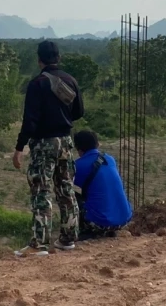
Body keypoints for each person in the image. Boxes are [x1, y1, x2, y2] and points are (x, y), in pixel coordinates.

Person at [13, 40, 84, 255]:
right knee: (66, 189)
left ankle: (39, 243)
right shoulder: (71, 80)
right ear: (59, 57)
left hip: (44, 143)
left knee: (41, 191)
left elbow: (30, 120)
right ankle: (68, 238)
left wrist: (19, 147)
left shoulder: (37, 84)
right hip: (65, 141)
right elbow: (79, 112)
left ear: (39, 59)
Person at [72, 129, 133, 238]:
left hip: (101, 223)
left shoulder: (77, 166)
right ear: (97, 144)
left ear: (78, 149)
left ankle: (77, 234)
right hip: (124, 219)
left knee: (69, 195)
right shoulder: (110, 159)